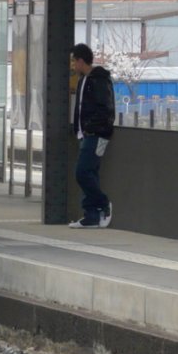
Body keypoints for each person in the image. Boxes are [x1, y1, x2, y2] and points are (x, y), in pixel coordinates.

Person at [68, 43, 115, 229]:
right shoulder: (83, 80)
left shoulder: (99, 80)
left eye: (73, 61)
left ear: (81, 61)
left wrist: (89, 127)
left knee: (82, 172)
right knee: (90, 173)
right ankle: (91, 216)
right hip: (85, 135)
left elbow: (106, 109)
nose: (72, 66)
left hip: (96, 134)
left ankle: (103, 204)